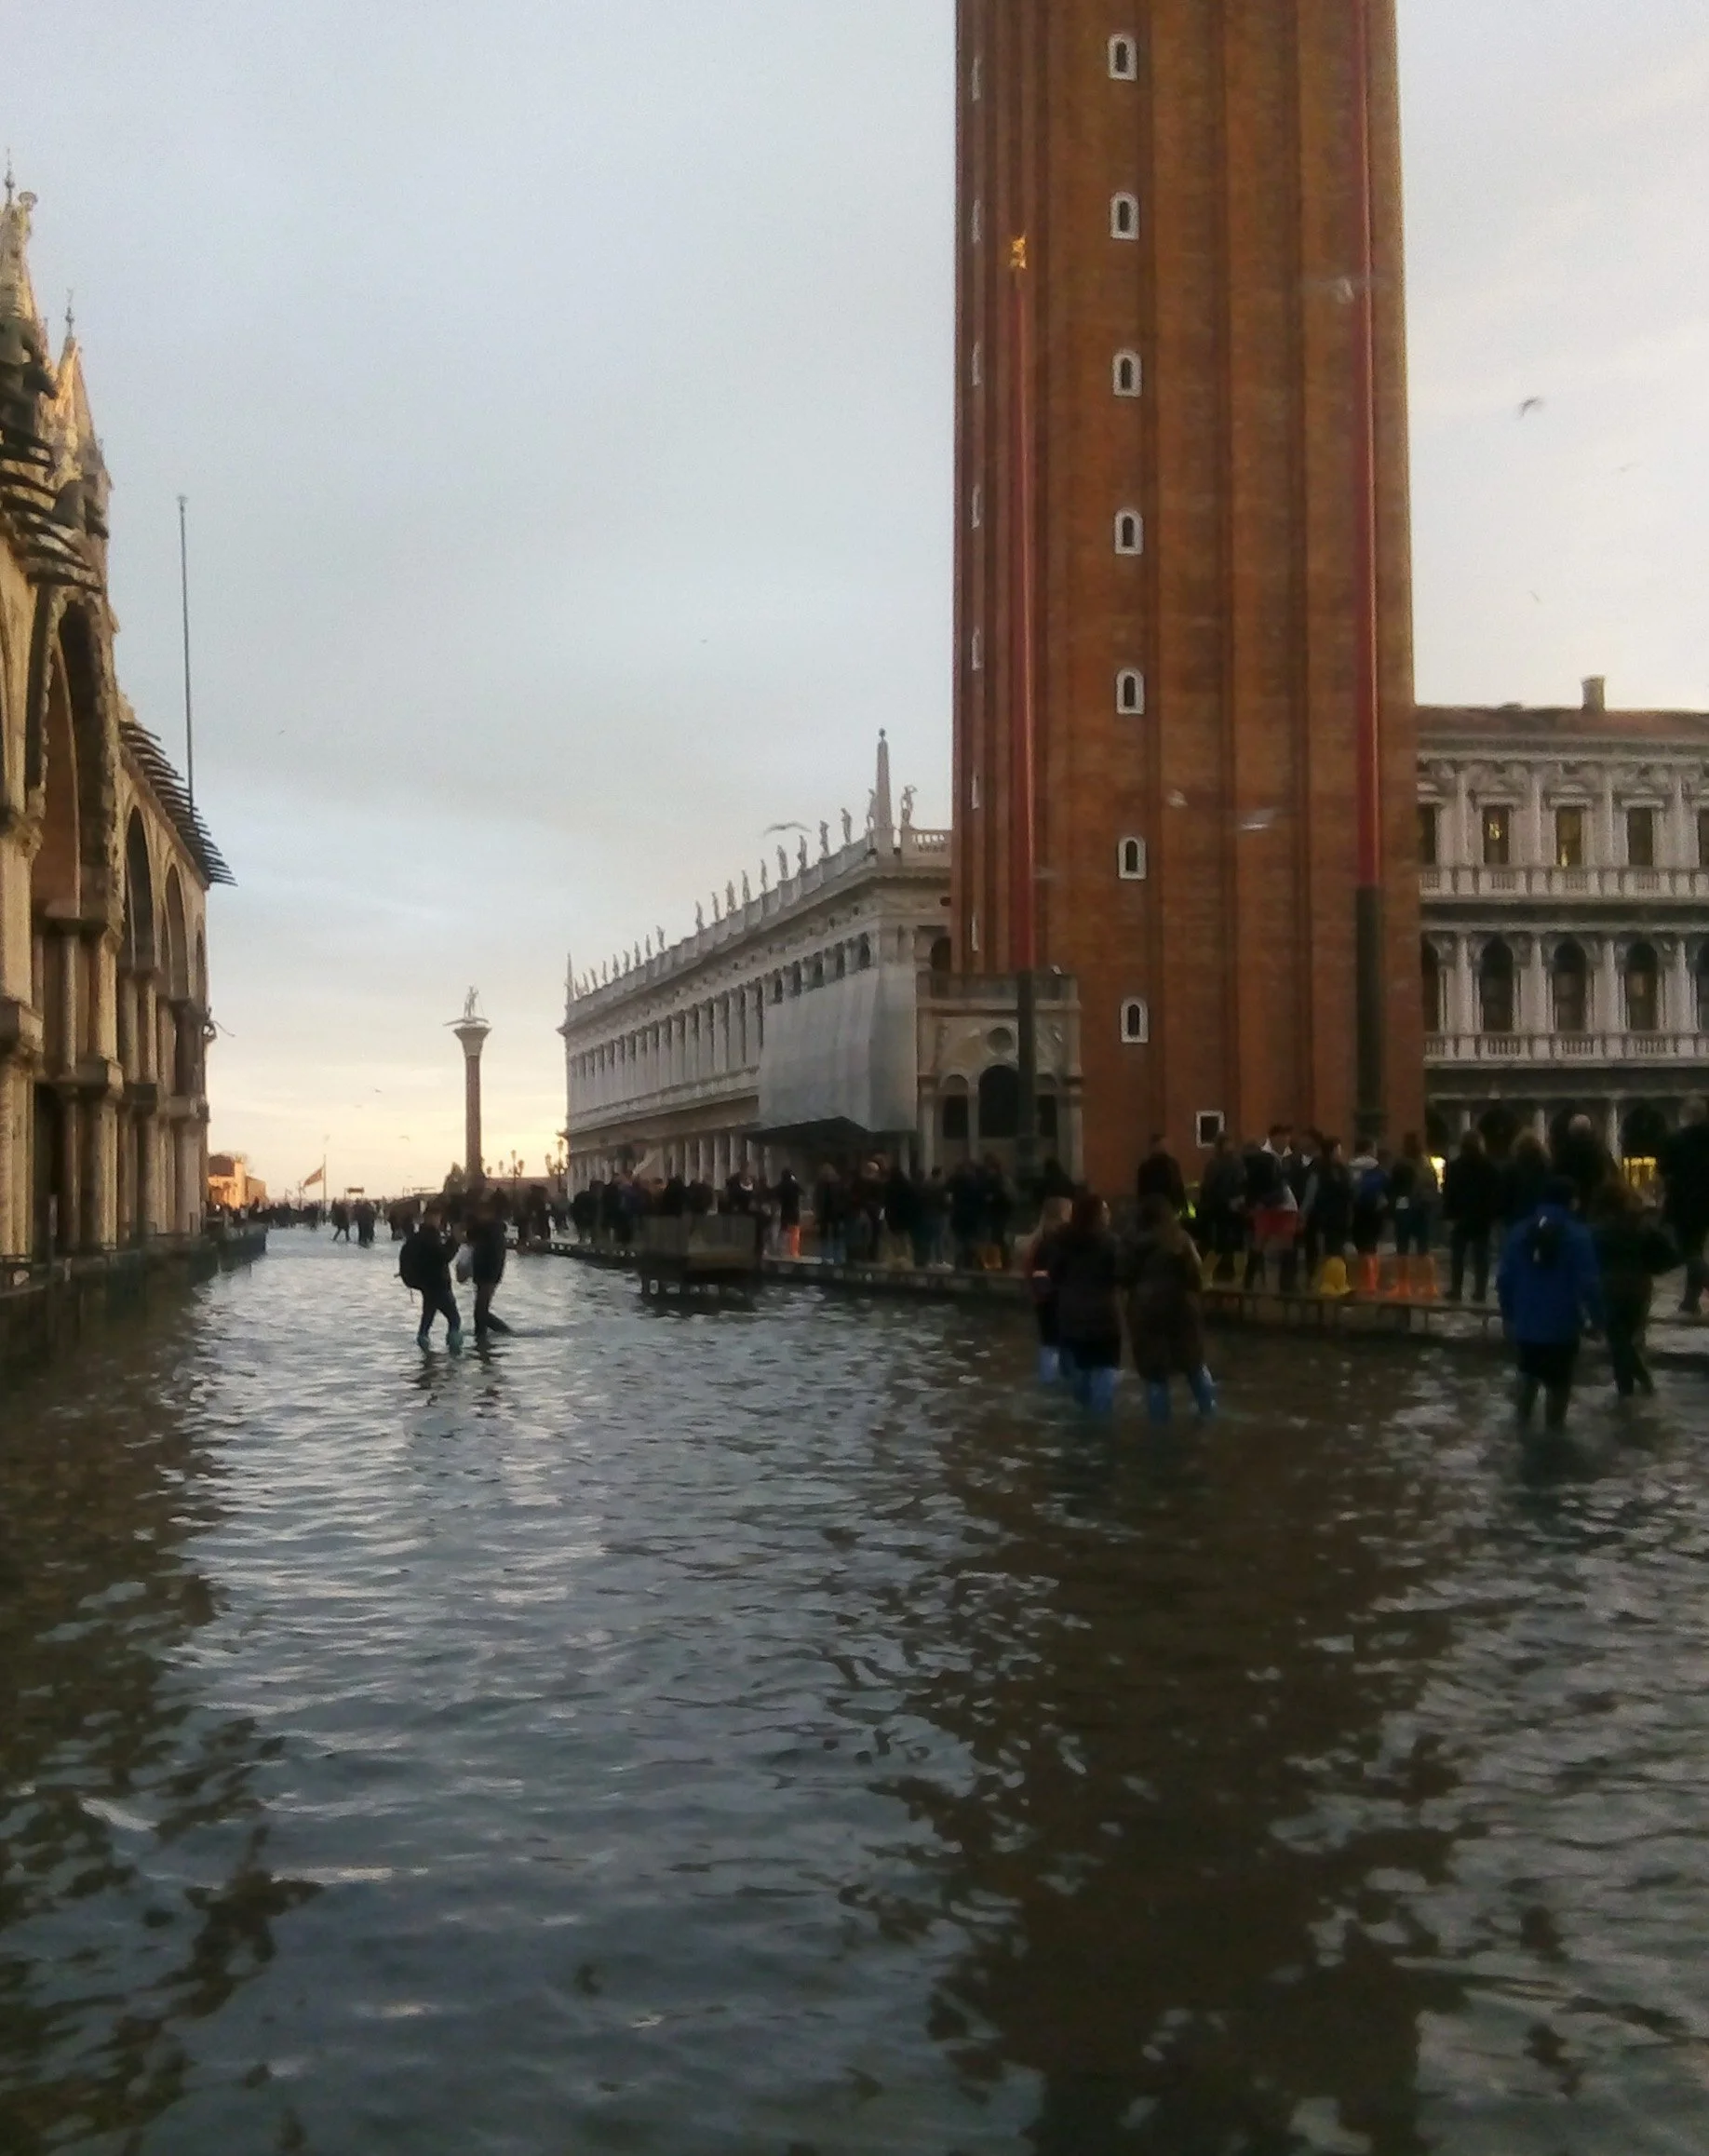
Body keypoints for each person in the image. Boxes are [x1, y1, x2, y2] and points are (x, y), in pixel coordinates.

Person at [1498, 1175, 1604, 1432]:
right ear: (1572, 1202)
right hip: (1563, 1327)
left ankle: (1520, 1435)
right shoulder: (1579, 1236)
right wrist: (1597, 1321)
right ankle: (1554, 1442)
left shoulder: (1518, 1233)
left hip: (1525, 1326)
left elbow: (1504, 1280)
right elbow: (1590, 1283)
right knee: (1558, 1388)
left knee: (1527, 1376)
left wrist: (1509, 1316)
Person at [1124, 1194, 1216, 1424]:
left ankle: (1159, 1428)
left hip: (1146, 1312)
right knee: (1194, 1366)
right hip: (1181, 1310)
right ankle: (1209, 1414)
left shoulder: (1130, 1244)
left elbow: (1123, 1277)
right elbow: (1196, 1276)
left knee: (1156, 1377)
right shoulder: (1180, 1241)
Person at [1589, 1179, 1675, 1398]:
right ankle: (1635, 1391)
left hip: (1610, 1289)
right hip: (1639, 1288)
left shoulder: (1597, 1230)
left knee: (1619, 1343)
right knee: (1628, 1340)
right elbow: (1669, 1254)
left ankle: (1635, 1389)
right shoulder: (1642, 1225)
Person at [1046, 1192, 1125, 1412]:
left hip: (1072, 1317)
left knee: (1081, 1368)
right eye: (1106, 1211)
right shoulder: (1111, 1243)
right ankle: (1100, 1416)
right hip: (1104, 1318)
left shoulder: (1062, 1242)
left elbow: (1054, 1275)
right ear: (1098, 1216)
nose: (1109, 1215)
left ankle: (1083, 1412)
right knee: (1106, 1368)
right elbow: (1122, 1275)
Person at [1661, 1098, 1709, 1315]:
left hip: (1683, 1204)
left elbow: (1663, 1171)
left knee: (1687, 1251)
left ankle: (1695, 1294)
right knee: (1695, 1249)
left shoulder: (1675, 1141)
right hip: (1705, 1203)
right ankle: (1690, 1301)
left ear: (1686, 1116)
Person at [1442, 1128, 1502, 1302]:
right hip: (1482, 1217)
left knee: (1457, 1256)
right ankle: (1480, 1291)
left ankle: (1455, 1289)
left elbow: (1449, 1193)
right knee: (1481, 1256)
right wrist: (1493, 1214)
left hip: (1460, 1216)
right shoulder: (1489, 1166)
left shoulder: (1454, 1166)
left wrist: (1449, 1215)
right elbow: (1496, 1193)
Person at [1023, 1195, 1073, 1383]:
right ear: (1062, 1215)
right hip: (1053, 1302)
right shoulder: (1052, 1242)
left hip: (1044, 1303)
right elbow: (1042, 1277)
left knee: (1050, 1345)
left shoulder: (1040, 1241)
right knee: (1054, 1346)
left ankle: (1051, 1384)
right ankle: (1052, 1384)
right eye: (1070, 1212)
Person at [399, 1205, 463, 1351]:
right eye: (437, 1217)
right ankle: (454, 1358)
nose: (438, 1220)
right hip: (438, 1285)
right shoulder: (431, 1237)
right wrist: (454, 1241)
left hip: (425, 1285)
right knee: (454, 1319)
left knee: (427, 1320)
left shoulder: (417, 1237)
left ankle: (426, 1358)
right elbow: (444, 1256)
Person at [1390, 1131, 1439, 1297]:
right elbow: (1434, 1186)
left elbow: (1393, 1186)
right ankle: (1430, 1286)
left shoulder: (1401, 1163)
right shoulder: (1427, 1163)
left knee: (1402, 1248)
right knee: (1424, 1249)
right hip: (1423, 1208)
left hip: (1404, 1207)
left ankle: (1403, 1286)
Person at [466, 1195, 512, 1340]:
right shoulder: (486, 1230)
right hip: (483, 1274)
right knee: (480, 1312)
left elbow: (493, 1255)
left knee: (480, 1312)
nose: (479, 1215)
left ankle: (501, 1335)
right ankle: (483, 1339)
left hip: (489, 1275)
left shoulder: (493, 1230)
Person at [1349, 1138, 1388, 1295]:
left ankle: (1364, 1281)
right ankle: (1372, 1282)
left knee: (1361, 1247)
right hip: (1375, 1211)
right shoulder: (1378, 1169)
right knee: (1372, 1246)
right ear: (1369, 1150)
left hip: (1357, 1210)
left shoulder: (1350, 1167)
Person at [1136, 1135, 1187, 1217]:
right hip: (1157, 1208)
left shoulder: (1172, 1164)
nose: (1166, 1147)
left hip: (1167, 1207)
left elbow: (1178, 1185)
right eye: (1163, 1145)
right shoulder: (1147, 1167)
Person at [776, 1167, 803, 1259]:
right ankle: (794, 1252)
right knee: (795, 1233)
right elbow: (803, 1192)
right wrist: (795, 1180)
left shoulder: (782, 1185)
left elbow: (775, 1193)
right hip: (794, 1211)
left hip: (785, 1211)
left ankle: (782, 1252)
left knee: (783, 1231)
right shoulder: (794, 1185)